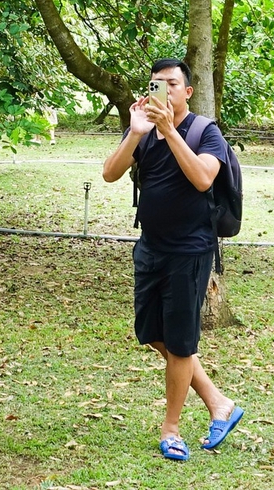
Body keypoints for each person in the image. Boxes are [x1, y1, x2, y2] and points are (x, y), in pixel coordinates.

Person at [101, 59, 244, 462]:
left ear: (186, 92)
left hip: (190, 251)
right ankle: (218, 402)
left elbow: (202, 178)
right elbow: (111, 173)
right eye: (155, 84)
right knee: (151, 332)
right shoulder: (143, 133)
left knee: (180, 344)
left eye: (171, 84)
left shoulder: (205, 131)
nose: (162, 90)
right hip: (150, 247)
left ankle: (172, 429)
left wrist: (168, 130)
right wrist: (136, 132)